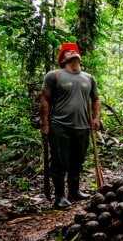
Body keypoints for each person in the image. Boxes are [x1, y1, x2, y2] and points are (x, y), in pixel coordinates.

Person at [39, 42, 101, 209]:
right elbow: (45, 99)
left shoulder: (89, 78)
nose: (72, 53)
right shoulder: (54, 76)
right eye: (67, 52)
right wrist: (45, 123)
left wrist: (96, 118)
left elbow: (95, 99)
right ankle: (59, 197)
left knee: (77, 161)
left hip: (82, 127)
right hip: (60, 126)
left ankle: (74, 191)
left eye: (75, 50)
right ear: (62, 59)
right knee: (60, 161)